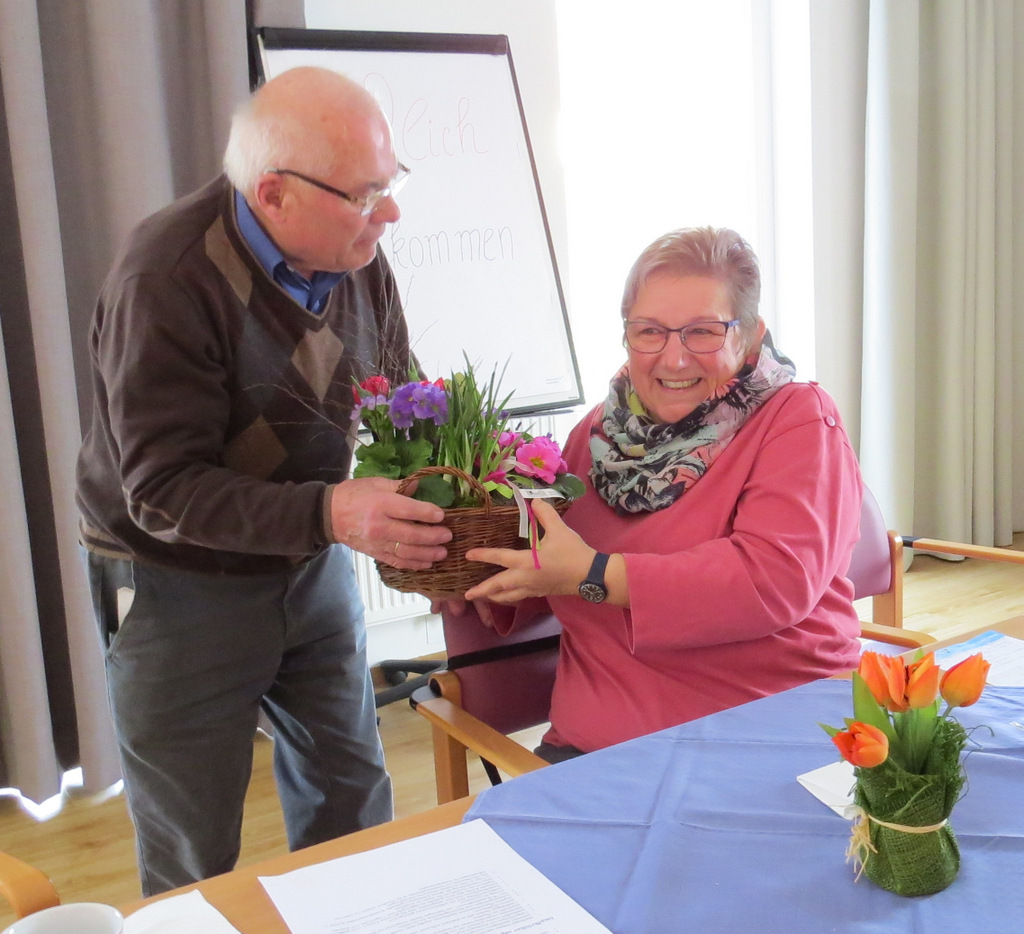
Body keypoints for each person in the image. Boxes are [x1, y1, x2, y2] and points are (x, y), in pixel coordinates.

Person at [76, 66, 452, 896]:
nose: (389, 214)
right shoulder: (165, 278)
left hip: (310, 561)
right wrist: (332, 514)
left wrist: (458, 482)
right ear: (274, 194)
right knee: (192, 848)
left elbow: (401, 394)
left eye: (390, 185)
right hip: (176, 584)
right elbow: (163, 491)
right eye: (365, 195)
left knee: (353, 804)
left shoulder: (355, 252)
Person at [463, 226, 863, 761]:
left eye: (703, 332)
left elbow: (772, 581)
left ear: (750, 336)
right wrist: (471, 571)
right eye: (649, 331)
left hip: (764, 737)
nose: (674, 359)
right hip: (593, 753)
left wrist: (595, 574)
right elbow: (554, 572)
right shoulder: (594, 436)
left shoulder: (797, 418)